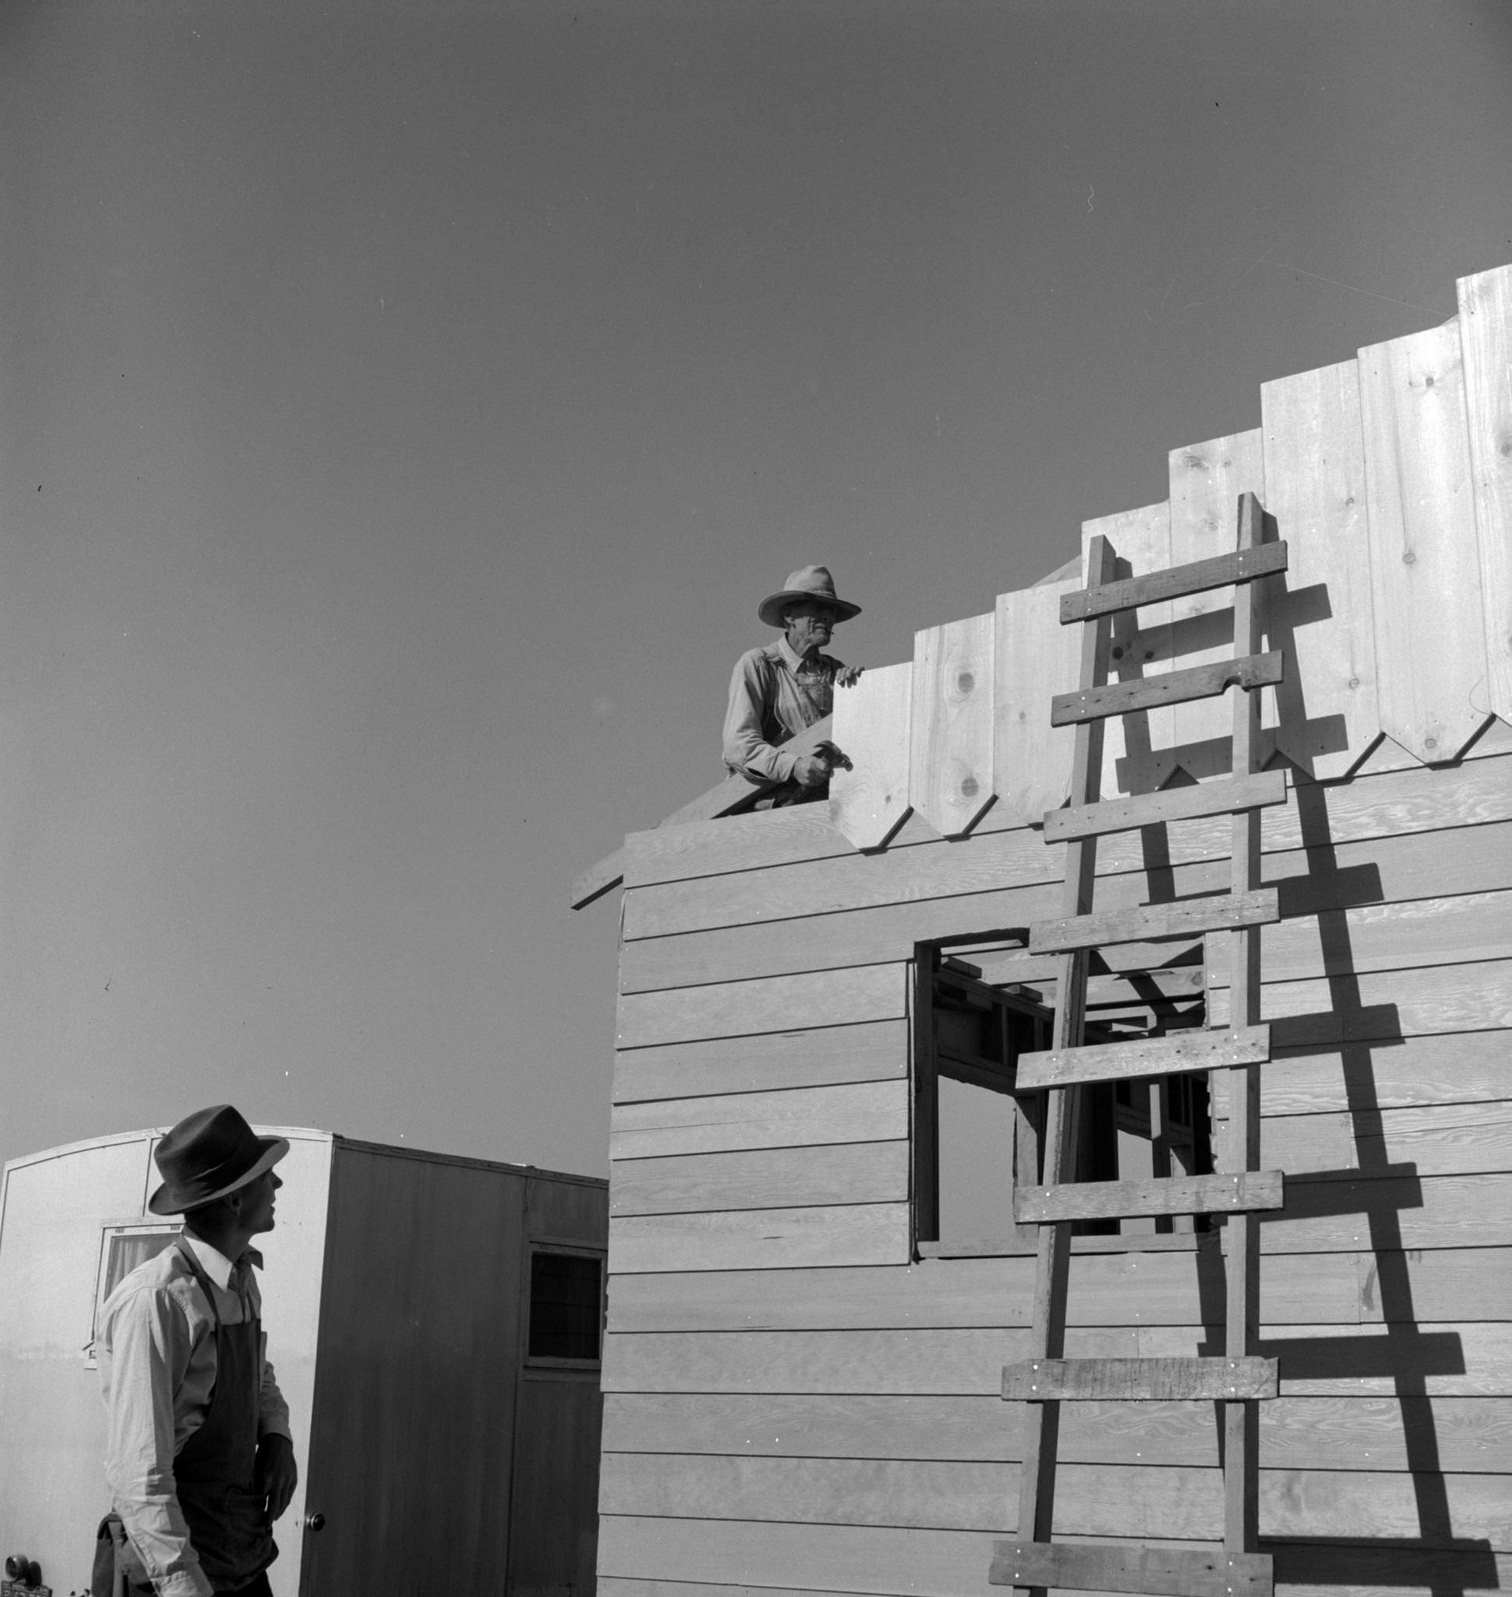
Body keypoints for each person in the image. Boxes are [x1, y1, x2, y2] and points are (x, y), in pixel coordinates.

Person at [97, 1105, 298, 1597]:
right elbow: (139, 1472)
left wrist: (276, 1433)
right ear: (233, 1202)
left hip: (236, 1552)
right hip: (170, 1568)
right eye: (265, 1176)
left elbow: (257, 1373)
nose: (277, 1187)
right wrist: (184, 1585)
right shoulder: (158, 1300)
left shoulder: (241, 1280)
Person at [722, 564, 862, 802]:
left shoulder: (836, 673)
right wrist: (794, 766)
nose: (828, 618)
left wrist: (860, 693)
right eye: (818, 608)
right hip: (767, 812)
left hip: (823, 807)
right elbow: (739, 746)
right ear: (790, 616)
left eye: (831, 611)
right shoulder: (759, 665)